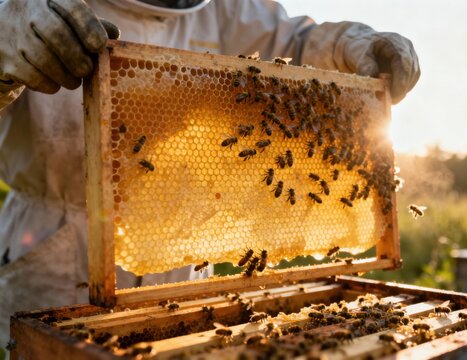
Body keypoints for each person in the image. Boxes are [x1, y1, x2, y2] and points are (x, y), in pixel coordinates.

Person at [0, 0, 420, 346]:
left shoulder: (225, 8)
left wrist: (351, 44)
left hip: (183, 246)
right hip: (55, 249)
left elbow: (297, 42)